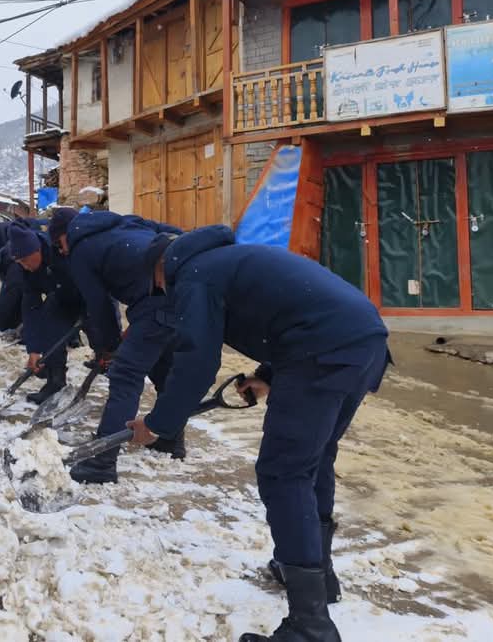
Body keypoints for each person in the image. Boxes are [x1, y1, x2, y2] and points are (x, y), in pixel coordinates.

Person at [124, 225, 390, 642]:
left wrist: (158, 425)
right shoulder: (229, 259)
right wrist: (266, 375)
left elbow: (197, 361)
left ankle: (310, 626)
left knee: (284, 473)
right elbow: (293, 309)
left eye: (156, 284)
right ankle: (316, 577)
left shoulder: (193, 274)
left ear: (161, 269)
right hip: (364, 339)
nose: (159, 291)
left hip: (320, 351)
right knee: (313, 460)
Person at [46, 208, 184, 483]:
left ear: (64, 237)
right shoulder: (126, 223)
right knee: (162, 367)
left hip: (154, 301)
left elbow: (100, 306)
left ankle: (102, 461)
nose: (61, 252)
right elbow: (174, 234)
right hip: (183, 290)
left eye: (59, 245)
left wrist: (108, 347)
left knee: (126, 375)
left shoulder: (81, 250)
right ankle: (171, 438)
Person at [6, 224, 84, 404]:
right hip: (61, 296)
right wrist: (33, 349)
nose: (24, 266)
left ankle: (109, 365)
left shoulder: (61, 253)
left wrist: (89, 312)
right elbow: (30, 307)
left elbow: (92, 283)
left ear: (37, 250)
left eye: (26, 260)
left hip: (89, 294)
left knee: (104, 340)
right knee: (49, 323)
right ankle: (55, 380)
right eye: (19, 262)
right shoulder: (26, 271)